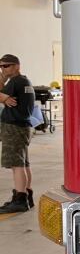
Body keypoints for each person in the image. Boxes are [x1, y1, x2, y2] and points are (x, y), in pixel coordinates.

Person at [0, 54, 35, 213]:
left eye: (6, 66)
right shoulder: (24, 81)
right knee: (23, 163)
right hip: (22, 126)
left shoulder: (15, 82)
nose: (3, 69)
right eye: (1, 66)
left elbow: (2, 94)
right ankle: (26, 194)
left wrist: (2, 95)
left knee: (17, 165)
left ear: (16, 66)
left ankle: (20, 199)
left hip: (14, 127)